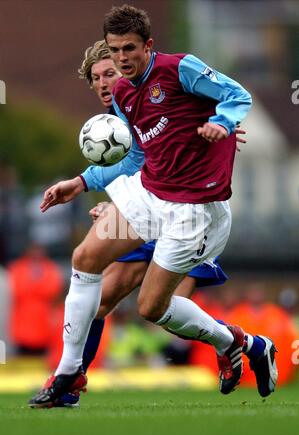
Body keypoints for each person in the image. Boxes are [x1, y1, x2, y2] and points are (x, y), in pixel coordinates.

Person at [29, 5, 277, 408]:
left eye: (128, 49)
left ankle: (241, 343)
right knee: (85, 258)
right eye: (115, 51)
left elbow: (237, 95)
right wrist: (80, 182)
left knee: (151, 308)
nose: (122, 59)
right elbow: (135, 156)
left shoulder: (181, 69)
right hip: (150, 194)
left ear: (148, 45)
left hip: (194, 210)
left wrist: (223, 123)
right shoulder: (126, 94)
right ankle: (68, 373)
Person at [59, 39, 231, 407]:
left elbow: (171, 140)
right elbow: (133, 165)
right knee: (107, 300)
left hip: (183, 212)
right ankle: (70, 381)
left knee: (158, 307)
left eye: (110, 72)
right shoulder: (111, 124)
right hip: (143, 211)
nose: (105, 82)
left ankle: (232, 343)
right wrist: (108, 203)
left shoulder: (149, 102)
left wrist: (221, 126)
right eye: (96, 77)